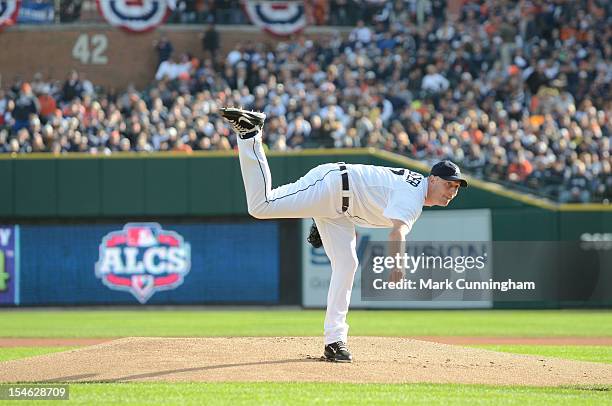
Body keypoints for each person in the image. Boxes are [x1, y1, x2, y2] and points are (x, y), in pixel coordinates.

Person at [221, 107, 467, 363]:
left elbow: (371, 196)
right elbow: (397, 233)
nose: (452, 190)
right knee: (261, 206)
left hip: (340, 208)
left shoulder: (415, 187)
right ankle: (250, 135)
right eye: (448, 183)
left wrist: (321, 216)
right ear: (433, 179)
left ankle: (334, 341)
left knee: (347, 264)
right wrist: (398, 263)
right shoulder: (415, 196)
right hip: (333, 187)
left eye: (456, 187)